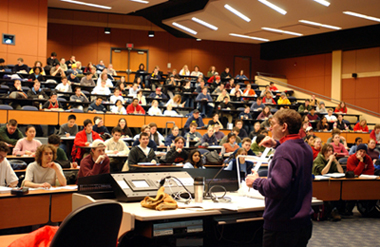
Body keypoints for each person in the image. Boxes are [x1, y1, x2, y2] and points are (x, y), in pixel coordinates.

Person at [246, 109, 313, 247]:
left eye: (273, 124)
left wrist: (256, 182)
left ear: (284, 127)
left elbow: (278, 187)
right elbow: (293, 151)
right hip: (302, 223)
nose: (270, 128)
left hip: (282, 225)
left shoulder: (284, 151)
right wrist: (277, 144)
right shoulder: (306, 147)